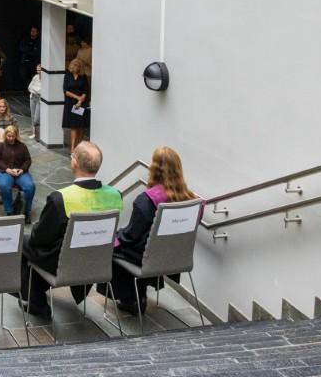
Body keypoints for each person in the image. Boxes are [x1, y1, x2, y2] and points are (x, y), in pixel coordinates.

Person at [16, 141, 122, 319]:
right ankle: (38, 288)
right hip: (97, 261)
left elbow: (40, 238)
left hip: (63, 263)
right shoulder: (115, 195)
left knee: (23, 241)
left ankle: (36, 301)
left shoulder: (61, 198)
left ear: (74, 162)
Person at [104, 146, 201, 315]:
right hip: (175, 258)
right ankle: (139, 294)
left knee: (115, 247)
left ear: (154, 169)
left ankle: (132, 299)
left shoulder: (147, 200)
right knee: (144, 245)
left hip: (148, 259)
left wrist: (116, 236)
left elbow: (131, 236)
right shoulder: (191, 200)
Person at [0, 123, 34, 220]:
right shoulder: (0, 146)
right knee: (4, 186)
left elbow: (28, 160)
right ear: (5, 135)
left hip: (20, 172)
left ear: (16, 135)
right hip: (4, 172)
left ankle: (26, 211)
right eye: (9, 136)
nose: (11, 138)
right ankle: (9, 210)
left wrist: (22, 169)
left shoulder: (22, 146)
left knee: (30, 187)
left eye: (13, 136)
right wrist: (7, 169)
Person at [63, 58, 90, 149]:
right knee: (73, 126)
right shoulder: (67, 76)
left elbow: (85, 91)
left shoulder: (83, 77)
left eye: (76, 65)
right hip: (70, 103)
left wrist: (80, 101)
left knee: (80, 126)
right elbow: (65, 91)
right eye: (73, 65)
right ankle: (72, 148)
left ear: (80, 67)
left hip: (80, 104)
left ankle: (79, 146)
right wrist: (77, 97)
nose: (74, 67)